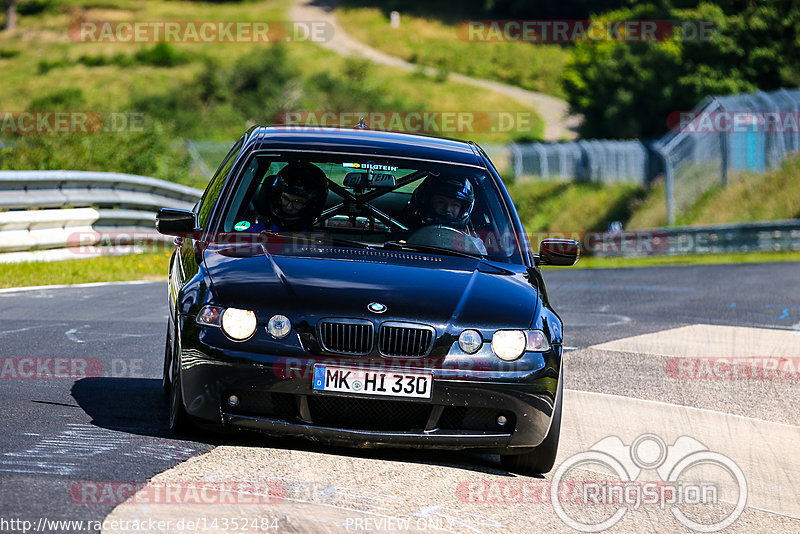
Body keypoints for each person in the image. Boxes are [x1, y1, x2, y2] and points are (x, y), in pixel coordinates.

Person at [254, 161, 329, 232]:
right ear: (279, 196)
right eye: (285, 198)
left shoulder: (317, 240)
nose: (289, 207)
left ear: (311, 205)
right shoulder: (258, 230)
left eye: (297, 202)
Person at [408, 175, 475, 230]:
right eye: (441, 202)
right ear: (428, 203)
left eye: (455, 205)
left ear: (462, 209)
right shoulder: (407, 230)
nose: (447, 209)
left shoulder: (471, 243)